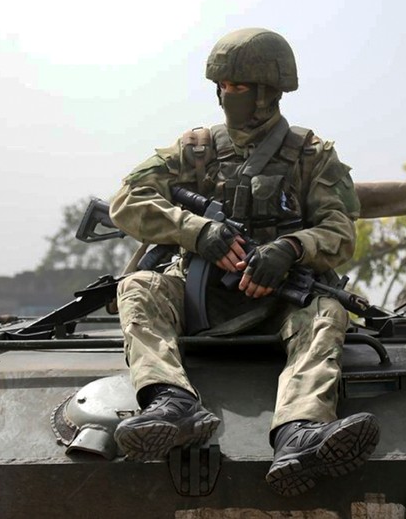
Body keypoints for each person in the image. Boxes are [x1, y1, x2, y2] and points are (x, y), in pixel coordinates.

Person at [108, 27, 379, 497]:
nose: (226, 95)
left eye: (239, 87)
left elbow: (339, 232)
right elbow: (127, 200)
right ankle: (171, 402)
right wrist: (196, 231)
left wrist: (291, 249)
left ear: (269, 92)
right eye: (223, 86)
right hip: (198, 297)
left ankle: (300, 431)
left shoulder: (312, 155)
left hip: (280, 300)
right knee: (138, 287)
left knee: (327, 310)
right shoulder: (196, 150)